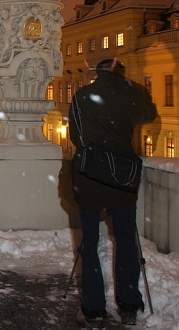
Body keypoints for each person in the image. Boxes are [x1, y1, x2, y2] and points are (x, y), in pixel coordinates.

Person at [69, 58, 156, 328]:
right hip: (123, 176)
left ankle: (94, 309)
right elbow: (150, 114)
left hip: (90, 175)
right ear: (121, 75)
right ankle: (129, 305)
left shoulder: (83, 96)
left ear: (98, 73)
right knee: (126, 240)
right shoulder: (130, 96)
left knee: (90, 244)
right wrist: (134, 90)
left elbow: (76, 135)